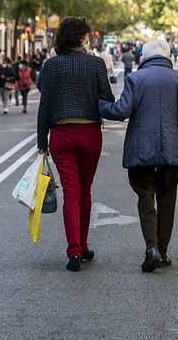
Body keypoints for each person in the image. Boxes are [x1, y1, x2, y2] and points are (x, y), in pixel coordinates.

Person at [99, 39, 178, 272]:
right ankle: (163, 253)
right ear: (168, 55)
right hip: (170, 149)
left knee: (146, 196)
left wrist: (101, 106)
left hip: (141, 147)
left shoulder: (135, 78)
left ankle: (151, 248)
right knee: (167, 199)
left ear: (144, 57)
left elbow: (121, 110)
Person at [37, 16, 114, 272]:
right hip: (90, 133)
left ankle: (74, 252)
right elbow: (107, 98)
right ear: (82, 38)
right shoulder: (96, 64)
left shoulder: (51, 65)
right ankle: (83, 243)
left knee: (71, 191)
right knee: (85, 190)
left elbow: (44, 105)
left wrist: (41, 140)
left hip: (60, 135)